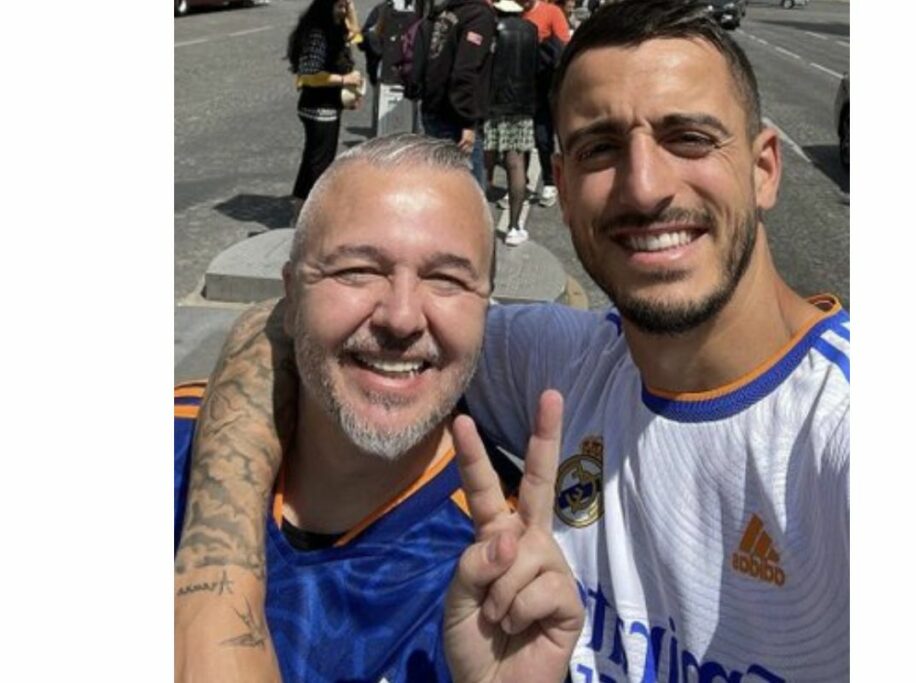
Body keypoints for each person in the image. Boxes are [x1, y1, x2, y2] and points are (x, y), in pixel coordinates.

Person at [176, 0, 850, 680]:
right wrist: (216, 578)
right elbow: (303, 328)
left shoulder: (840, 430)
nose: (645, 187)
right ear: (561, 180)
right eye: (600, 148)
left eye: (689, 139)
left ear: (766, 168)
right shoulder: (564, 360)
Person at [174, 134, 582, 682]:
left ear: (488, 310)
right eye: (357, 270)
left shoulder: (507, 583)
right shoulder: (177, 436)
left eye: (447, 279)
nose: (401, 316)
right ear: (289, 299)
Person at [287, 0, 365, 223]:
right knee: (320, 163)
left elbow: (357, 38)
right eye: (339, 6)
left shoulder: (333, 28)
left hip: (325, 105)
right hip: (318, 107)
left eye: (344, 6)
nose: (342, 11)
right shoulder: (318, 35)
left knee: (312, 160)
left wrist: (351, 12)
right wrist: (344, 79)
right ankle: (313, 217)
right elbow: (309, 75)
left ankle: (300, 212)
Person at [418, 0, 497, 187]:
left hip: (434, 107)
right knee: (466, 193)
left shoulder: (447, 11)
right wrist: (468, 120)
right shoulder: (479, 16)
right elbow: (465, 72)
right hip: (455, 119)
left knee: (438, 186)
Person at [483, 0, 539, 247]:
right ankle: (515, 227)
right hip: (522, 106)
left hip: (494, 104)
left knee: (485, 161)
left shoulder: (494, 29)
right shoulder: (531, 30)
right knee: (516, 164)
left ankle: (478, 221)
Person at [520, 0, 569, 209]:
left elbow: (563, 48)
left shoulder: (552, 12)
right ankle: (520, 183)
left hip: (544, 84)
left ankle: (549, 182)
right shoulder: (510, 13)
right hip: (519, 86)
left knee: (543, 136)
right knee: (520, 138)